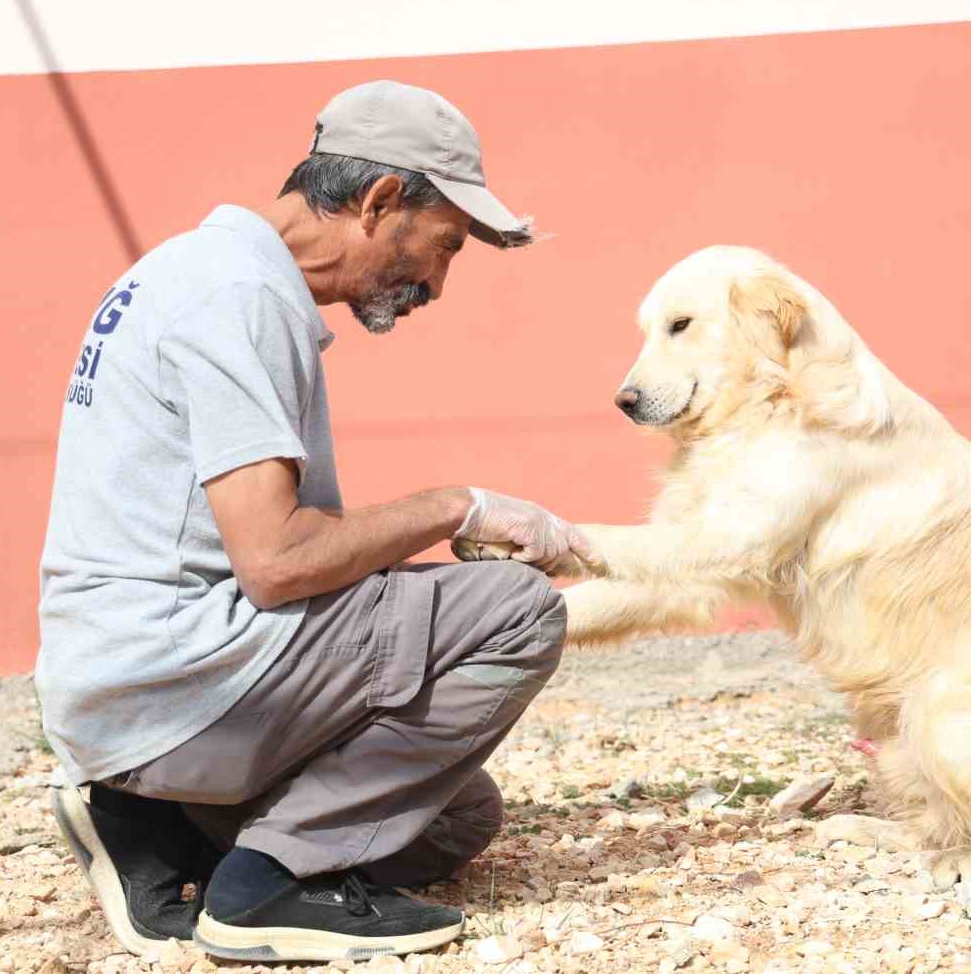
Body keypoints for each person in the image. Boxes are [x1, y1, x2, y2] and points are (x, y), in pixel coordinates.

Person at [35, 80, 593, 964]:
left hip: (131, 680)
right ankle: (267, 892)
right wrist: (459, 507)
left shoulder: (190, 269)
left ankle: (151, 828)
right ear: (378, 202)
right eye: (444, 244)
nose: (438, 283)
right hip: (177, 673)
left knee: (454, 820)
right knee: (516, 610)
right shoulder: (238, 298)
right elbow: (279, 563)